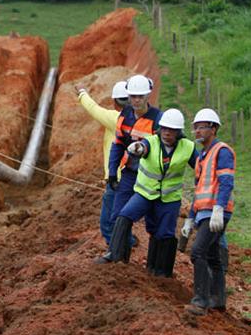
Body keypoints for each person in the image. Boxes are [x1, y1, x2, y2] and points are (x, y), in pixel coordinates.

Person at [99, 108, 195, 277]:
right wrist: (137, 148)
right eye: (164, 129)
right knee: (125, 215)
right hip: (145, 193)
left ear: (179, 132)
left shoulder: (188, 147)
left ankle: (160, 272)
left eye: (171, 130)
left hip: (169, 199)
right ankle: (115, 255)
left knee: (164, 233)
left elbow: (200, 167)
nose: (166, 133)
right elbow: (143, 147)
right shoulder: (151, 142)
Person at [96, 73, 160, 263]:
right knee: (118, 214)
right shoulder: (125, 115)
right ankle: (117, 256)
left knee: (155, 220)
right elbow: (117, 144)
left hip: (150, 178)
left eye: (140, 96)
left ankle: (156, 263)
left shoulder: (157, 118)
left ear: (148, 96)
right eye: (133, 96)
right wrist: (113, 171)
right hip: (130, 173)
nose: (136, 100)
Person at [182, 108, 235, 315]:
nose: (197, 131)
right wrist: (190, 218)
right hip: (204, 212)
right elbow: (199, 190)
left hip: (215, 213)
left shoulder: (222, 151)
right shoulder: (202, 156)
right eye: (195, 128)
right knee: (212, 257)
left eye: (201, 127)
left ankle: (200, 301)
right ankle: (218, 300)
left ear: (213, 128)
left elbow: (226, 182)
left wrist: (219, 209)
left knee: (198, 252)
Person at [74, 79, 129, 246]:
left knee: (108, 223)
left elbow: (93, 109)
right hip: (131, 178)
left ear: (114, 101)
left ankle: (117, 252)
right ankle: (127, 244)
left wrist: (82, 92)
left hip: (117, 179)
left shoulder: (116, 119)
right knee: (122, 217)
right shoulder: (137, 121)